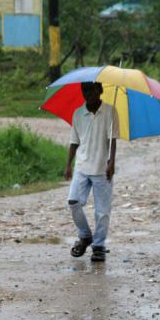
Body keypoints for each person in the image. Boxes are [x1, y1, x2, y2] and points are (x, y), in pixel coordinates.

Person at [64, 81, 119, 263]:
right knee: (73, 201)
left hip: (102, 168)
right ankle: (85, 235)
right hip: (82, 166)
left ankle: (99, 246)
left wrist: (111, 162)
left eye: (92, 89)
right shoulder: (78, 114)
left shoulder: (110, 111)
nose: (88, 93)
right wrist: (68, 164)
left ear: (101, 90)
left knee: (102, 212)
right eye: (84, 90)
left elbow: (113, 139)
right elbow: (74, 141)